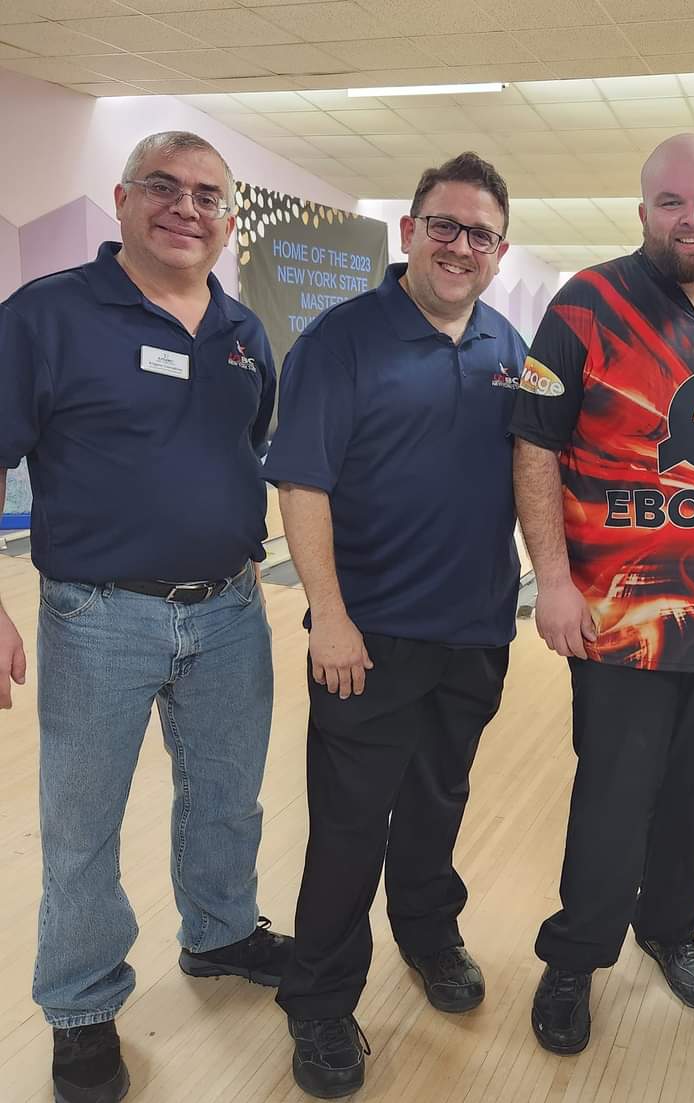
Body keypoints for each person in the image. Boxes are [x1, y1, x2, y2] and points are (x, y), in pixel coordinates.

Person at [0, 131, 292, 1103]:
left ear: (228, 219)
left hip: (230, 609)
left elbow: (248, 447)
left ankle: (220, 932)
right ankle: (80, 1005)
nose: (186, 208)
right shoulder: (47, 315)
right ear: (122, 201)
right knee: (82, 824)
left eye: (208, 195)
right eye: (163, 187)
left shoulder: (244, 332)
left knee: (228, 797)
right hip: (98, 616)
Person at [511, 133, 694, 1055]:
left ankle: (671, 927)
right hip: (617, 622)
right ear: (642, 211)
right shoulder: (586, 304)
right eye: (671, 202)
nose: (692, 217)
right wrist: (551, 582)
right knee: (612, 797)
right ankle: (577, 954)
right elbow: (535, 444)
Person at [262, 152, 527, 1099]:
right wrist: (327, 616)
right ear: (410, 231)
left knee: (437, 800)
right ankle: (320, 1000)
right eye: (443, 226)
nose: (460, 246)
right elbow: (303, 482)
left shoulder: (507, 345)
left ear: (500, 251)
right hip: (366, 639)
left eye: (480, 233)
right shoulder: (342, 339)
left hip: (474, 630)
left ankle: (427, 931)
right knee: (348, 826)